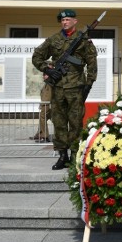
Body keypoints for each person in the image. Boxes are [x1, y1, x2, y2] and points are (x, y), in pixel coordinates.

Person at [32, 9, 97, 170]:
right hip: (58, 87)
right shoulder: (54, 39)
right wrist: (47, 69)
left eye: (68, 19)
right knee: (59, 122)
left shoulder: (84, 41)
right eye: (62, 20)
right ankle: (62, 155)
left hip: (76, 87)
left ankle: (75, 155)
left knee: (75, 123)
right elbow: (37, 56)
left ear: (75, 21)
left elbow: (92, 64)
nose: (65, 22)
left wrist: (88, 84)